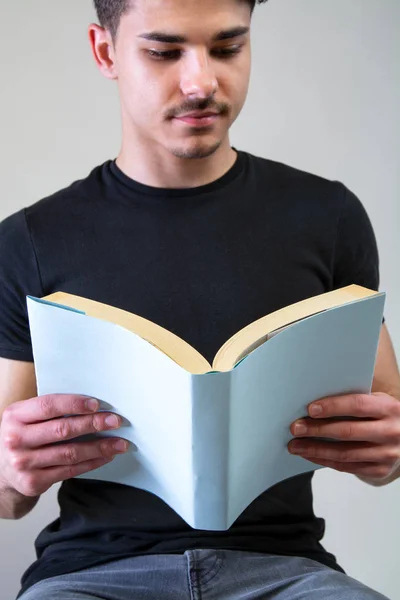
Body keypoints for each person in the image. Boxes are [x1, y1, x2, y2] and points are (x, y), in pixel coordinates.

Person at [0, 0, 399, 598]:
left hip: (285, 570)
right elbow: (7, 498)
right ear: (105, 52)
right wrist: (11, 468)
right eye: (164, 52)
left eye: (227, 48)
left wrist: (387, 446)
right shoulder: (29, 240)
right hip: (91, 576)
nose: (202, 82)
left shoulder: (329, 218)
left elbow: (388, 448)